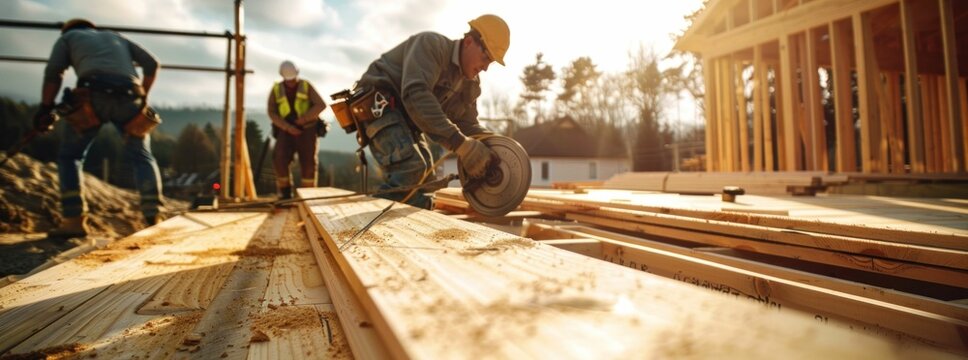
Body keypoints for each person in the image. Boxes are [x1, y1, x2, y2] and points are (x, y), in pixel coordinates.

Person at [350, 14, 510, 209]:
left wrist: (493, 145)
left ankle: (413, 224)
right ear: (468, 42)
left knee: (426, 179)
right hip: (378, 103)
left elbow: (468, 125)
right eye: (485, 57)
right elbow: (416, 94)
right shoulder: (431, 45)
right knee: (410, 167)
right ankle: (368, 231)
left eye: (490, 62)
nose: (485, 68)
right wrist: (462, 145)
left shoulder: (470, 83)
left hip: (407, 118)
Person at [33, 18, 164, 237]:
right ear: (92, 28)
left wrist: (45, 108)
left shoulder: (68, 38)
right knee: (142, 157)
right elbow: (152, 64)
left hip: (91, 95)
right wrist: (143, 96)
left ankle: (74, 220)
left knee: (70, 157)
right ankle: (154, 218)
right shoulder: (115, 36)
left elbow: (54, 73)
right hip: (130, 96)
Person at [267, 60, 327, 199]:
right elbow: (272, 112)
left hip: (307, 130)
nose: (291, 83)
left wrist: (304, 119)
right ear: (282, 77)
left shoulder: (306, 86)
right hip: (286, 130)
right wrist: (287, 127)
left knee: (308, 163)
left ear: (297, 74)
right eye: (288, 80)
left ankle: (308, 196)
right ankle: (285, 194)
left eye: (293, 79)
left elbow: (321, 105)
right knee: (279, 158)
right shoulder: (276, 90)